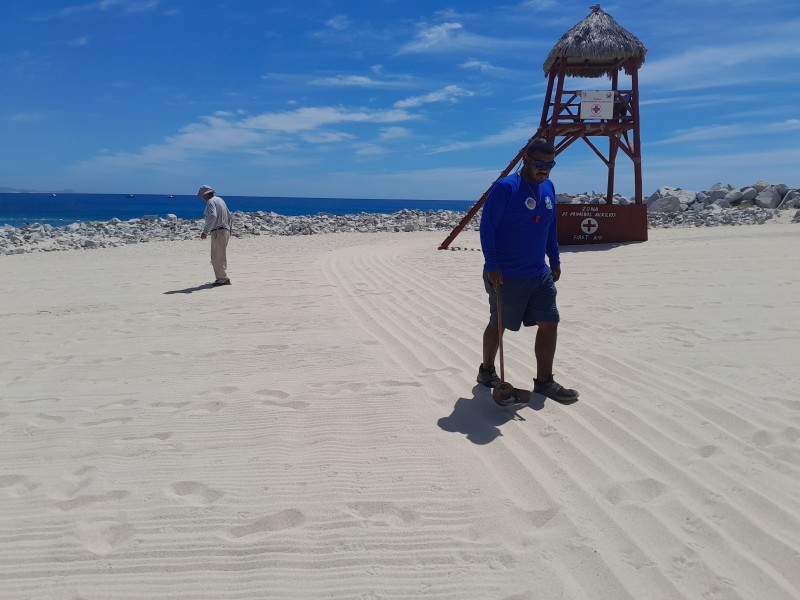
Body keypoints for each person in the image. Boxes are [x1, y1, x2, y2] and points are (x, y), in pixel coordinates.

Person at [477, 137, 579, 403]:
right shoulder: (505, 188)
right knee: (498, 324)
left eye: (550, 163)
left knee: (550, 324)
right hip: (507, 275)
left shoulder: (549, 187)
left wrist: (554, 259)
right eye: (540, 162)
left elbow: (549, 226)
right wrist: (493, 266)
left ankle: (544, 382)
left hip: (539, 274)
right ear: (526, 159)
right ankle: (487, 371)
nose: (545, 168)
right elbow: (488, 229)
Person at [197, 185, 232, 286]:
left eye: (203, 196)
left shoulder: (210, 202)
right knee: (221, 256)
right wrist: (228, 228)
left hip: (217, 232)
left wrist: (205, 231)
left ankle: (222, 279)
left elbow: (213, 216)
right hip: (225, 231)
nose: (203, 198)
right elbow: (229, 214)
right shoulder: (220, 200)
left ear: (206, 194)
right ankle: (223, 277)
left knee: (216, 257)